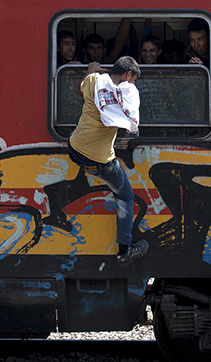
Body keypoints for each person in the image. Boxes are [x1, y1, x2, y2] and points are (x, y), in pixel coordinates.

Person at [67, 56, 149, 267]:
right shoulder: (127, 94)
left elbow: (81, 90)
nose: (133, 85)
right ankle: (125, 250)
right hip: (100, 160)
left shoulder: (94, 80)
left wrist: (90, 69)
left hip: (75, 148)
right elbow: (131, 128)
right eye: (134, 80)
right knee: (125, 195)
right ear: (128, 75)